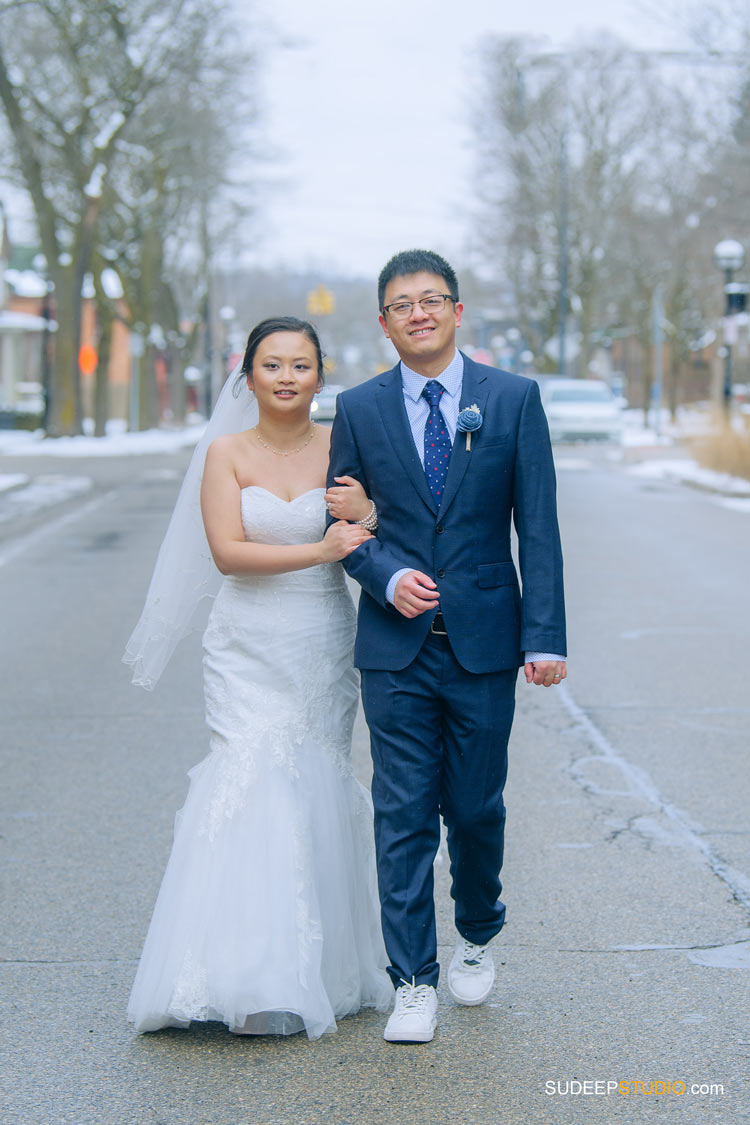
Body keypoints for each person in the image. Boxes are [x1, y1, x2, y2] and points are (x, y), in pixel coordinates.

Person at [124, 316, 392, 1038]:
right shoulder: (225, 452)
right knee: (250, 780)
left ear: (319, 375)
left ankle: (318, 968)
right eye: (271, 364)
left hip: (322, 637)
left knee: (315, 777)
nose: (285, 377)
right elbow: (227, 554)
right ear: (247, 375)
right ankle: (233, 969)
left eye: (300, 365)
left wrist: (363, 513)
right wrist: (322, 550)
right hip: (246, 642)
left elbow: (377, 524)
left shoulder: (344, 447)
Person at [327, 250, 567, 1043]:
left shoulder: (513, 399)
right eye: (402, 304)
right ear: (386, 321)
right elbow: (345, 525)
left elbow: (538, 527)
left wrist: (546, 637)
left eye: (432, 300)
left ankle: (477, 927)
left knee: (474, 807)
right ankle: (412, 981)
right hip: (395, 650)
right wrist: (384, 573)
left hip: (486, 646)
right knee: (401, 813)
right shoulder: (359, 409)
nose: (418, 313)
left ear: (457, 311)